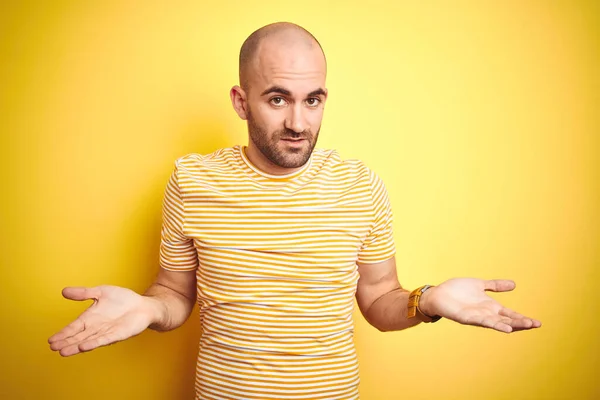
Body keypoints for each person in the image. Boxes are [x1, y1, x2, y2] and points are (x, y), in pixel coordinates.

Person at [48, 22, 542, 400]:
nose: (297, 122)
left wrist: (428, 301)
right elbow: (175, 292)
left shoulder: (359, 185)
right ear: (241, 102)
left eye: (313, 100)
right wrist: (149, 307)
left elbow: (378, 299)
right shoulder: (192, 180)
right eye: (277, 98)